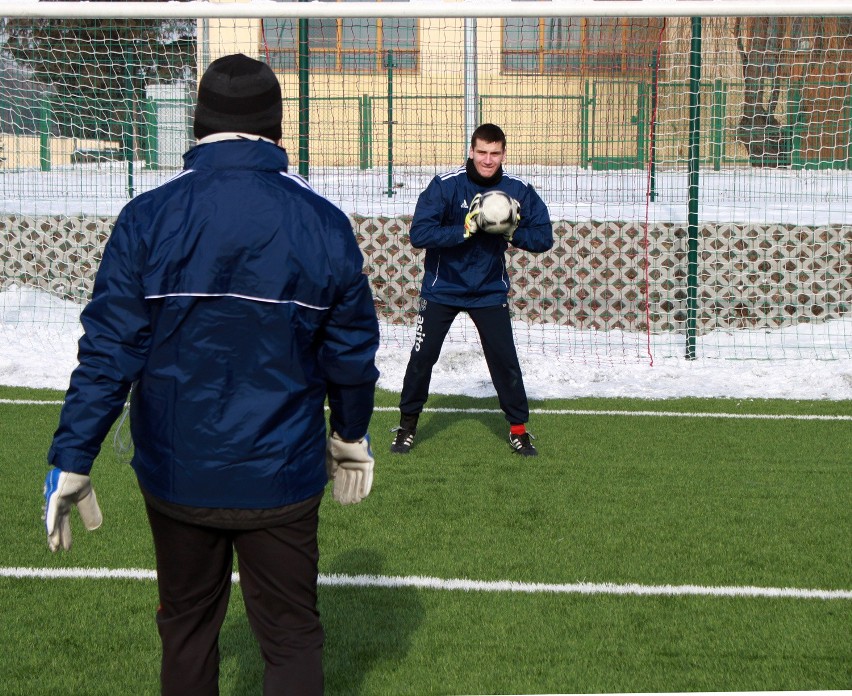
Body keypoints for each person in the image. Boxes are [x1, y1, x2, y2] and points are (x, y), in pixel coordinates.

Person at [41, 54, 380, 696]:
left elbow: (109, 351)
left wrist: (74, 455)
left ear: (199, 126)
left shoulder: (148, 217)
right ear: (277, 128)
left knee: (189, 629)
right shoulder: (323, 223)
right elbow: (352, 353)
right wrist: (350, 435)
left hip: (181, 470)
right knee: (290, 635)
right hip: (278, 472)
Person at [391, 123, 553, 457]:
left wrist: (511, 232)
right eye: (482, 152)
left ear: (503, 154)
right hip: (442, 288)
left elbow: (543, 237)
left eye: (495, 153)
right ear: (471, 151)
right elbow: (419, 234)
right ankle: (406, 427)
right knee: (422, 358)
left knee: (504, 360)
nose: (488, 159)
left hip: (489, 290)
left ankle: (519, 431)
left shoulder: (517, 189)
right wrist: (465, 230)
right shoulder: (445, 186)